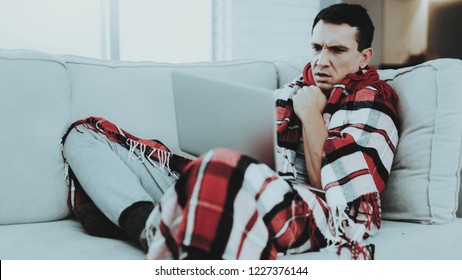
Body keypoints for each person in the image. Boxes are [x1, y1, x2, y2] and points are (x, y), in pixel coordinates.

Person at [62, 3, 399, 260]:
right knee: (86, 134)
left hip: (293, 199)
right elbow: (251, 146)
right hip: (235, 183)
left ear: (363, 57)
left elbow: (338, 195)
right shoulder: (292, 91)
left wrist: (311, 115)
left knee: (223, 168)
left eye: (337, 50)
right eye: (316, 48)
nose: (321, 61)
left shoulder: (373, 103)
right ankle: (147, 226)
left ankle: (159, 219)